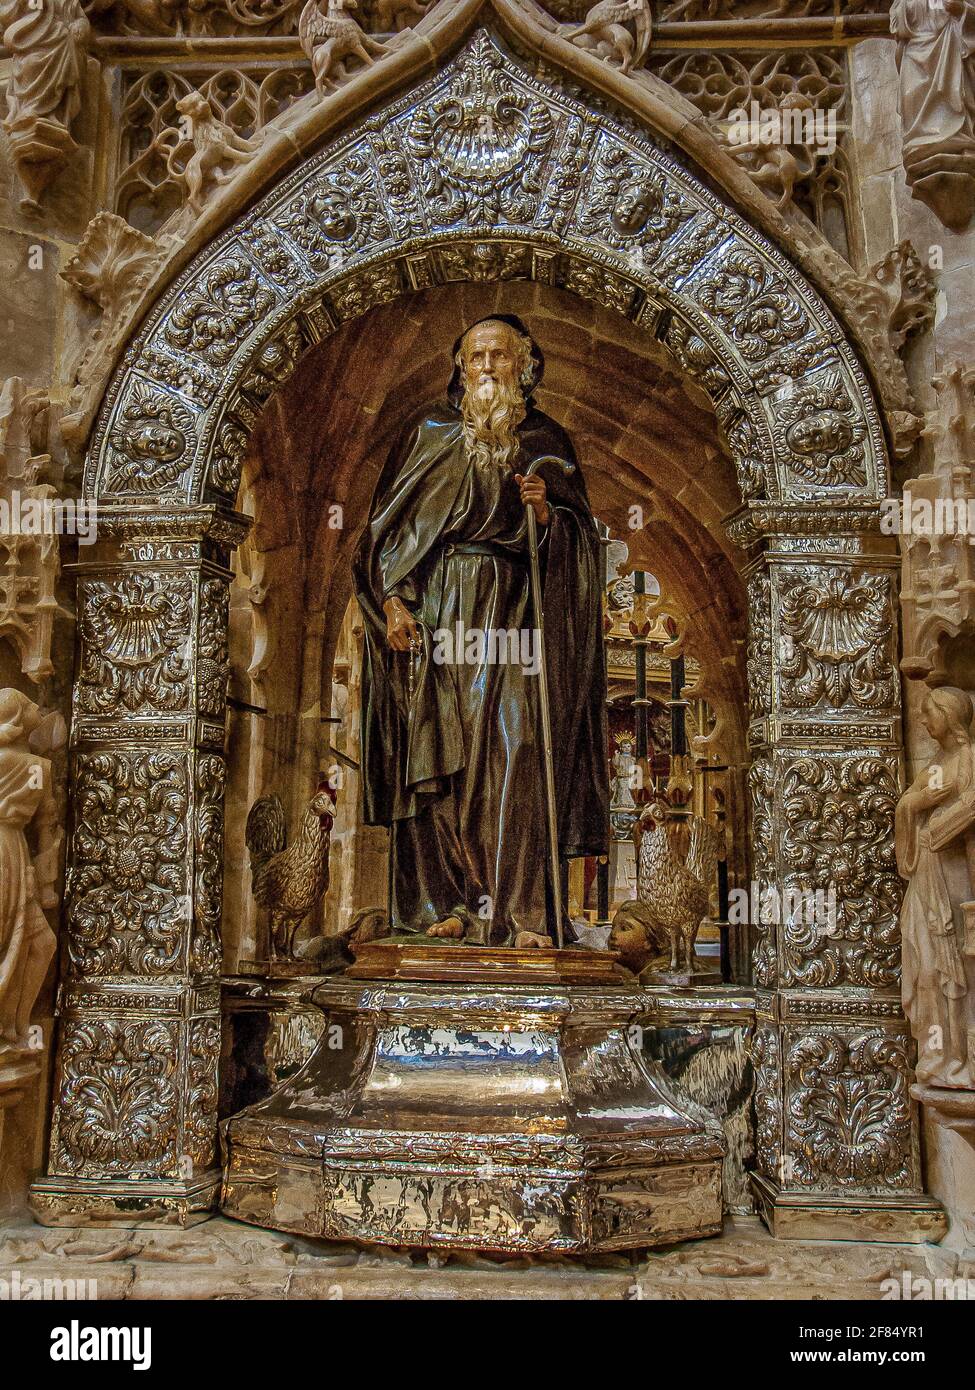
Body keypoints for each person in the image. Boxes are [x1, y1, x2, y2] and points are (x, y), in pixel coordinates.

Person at [353, 316, 608, 945]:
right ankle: (441, 908)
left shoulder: (548, 440)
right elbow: (385, 535)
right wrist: (392, 603)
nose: (487, 367)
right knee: (440, 757)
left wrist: (548, 515)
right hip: (440, 618)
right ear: (460, 367)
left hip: (518, 614)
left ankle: (520, 913)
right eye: (475, 357)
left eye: (500, 355)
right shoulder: (427, 434)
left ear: (524, 365)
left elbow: (582, 550)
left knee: (518, 750)